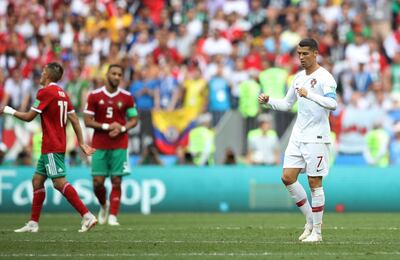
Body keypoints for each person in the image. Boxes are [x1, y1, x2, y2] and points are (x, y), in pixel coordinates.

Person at [0, 62, 97, 233]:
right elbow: (74, 119)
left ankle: (87, 215)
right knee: (37, 181)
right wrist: (81, 143)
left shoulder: (45, 92)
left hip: (52, 145)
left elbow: (30, 117)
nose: (41, 74)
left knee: (59, 183)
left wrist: (8, 110)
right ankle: (33, 223)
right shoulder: (63, 93)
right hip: (53, 144)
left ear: (49, 75)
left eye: (43, 72)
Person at [258, 38, 337, 242]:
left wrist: (310, 95)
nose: (301, 57)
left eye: (305, 54)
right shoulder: (298, 78)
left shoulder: (325, 77)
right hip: (298, 136)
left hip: (317, 137)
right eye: (299, 54)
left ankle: (317, 233)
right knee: (287, 177)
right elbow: (286, 104)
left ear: (315, 54)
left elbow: (332, 103)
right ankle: (310, 221)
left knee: (314, 182)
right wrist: (269, 102)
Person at [84, 64, 138, 226]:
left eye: (119, 74)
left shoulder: (127, 97)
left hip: (120, 144)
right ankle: (104, 205)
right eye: (113, 73)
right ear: (107, 75)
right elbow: (87, 121)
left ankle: (113, 216)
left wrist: (121, 128)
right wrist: (108, 126)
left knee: (116, 180)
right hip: (99, 144)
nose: (116, 76)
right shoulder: (94, 96)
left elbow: (134, 119)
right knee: (97, 182)